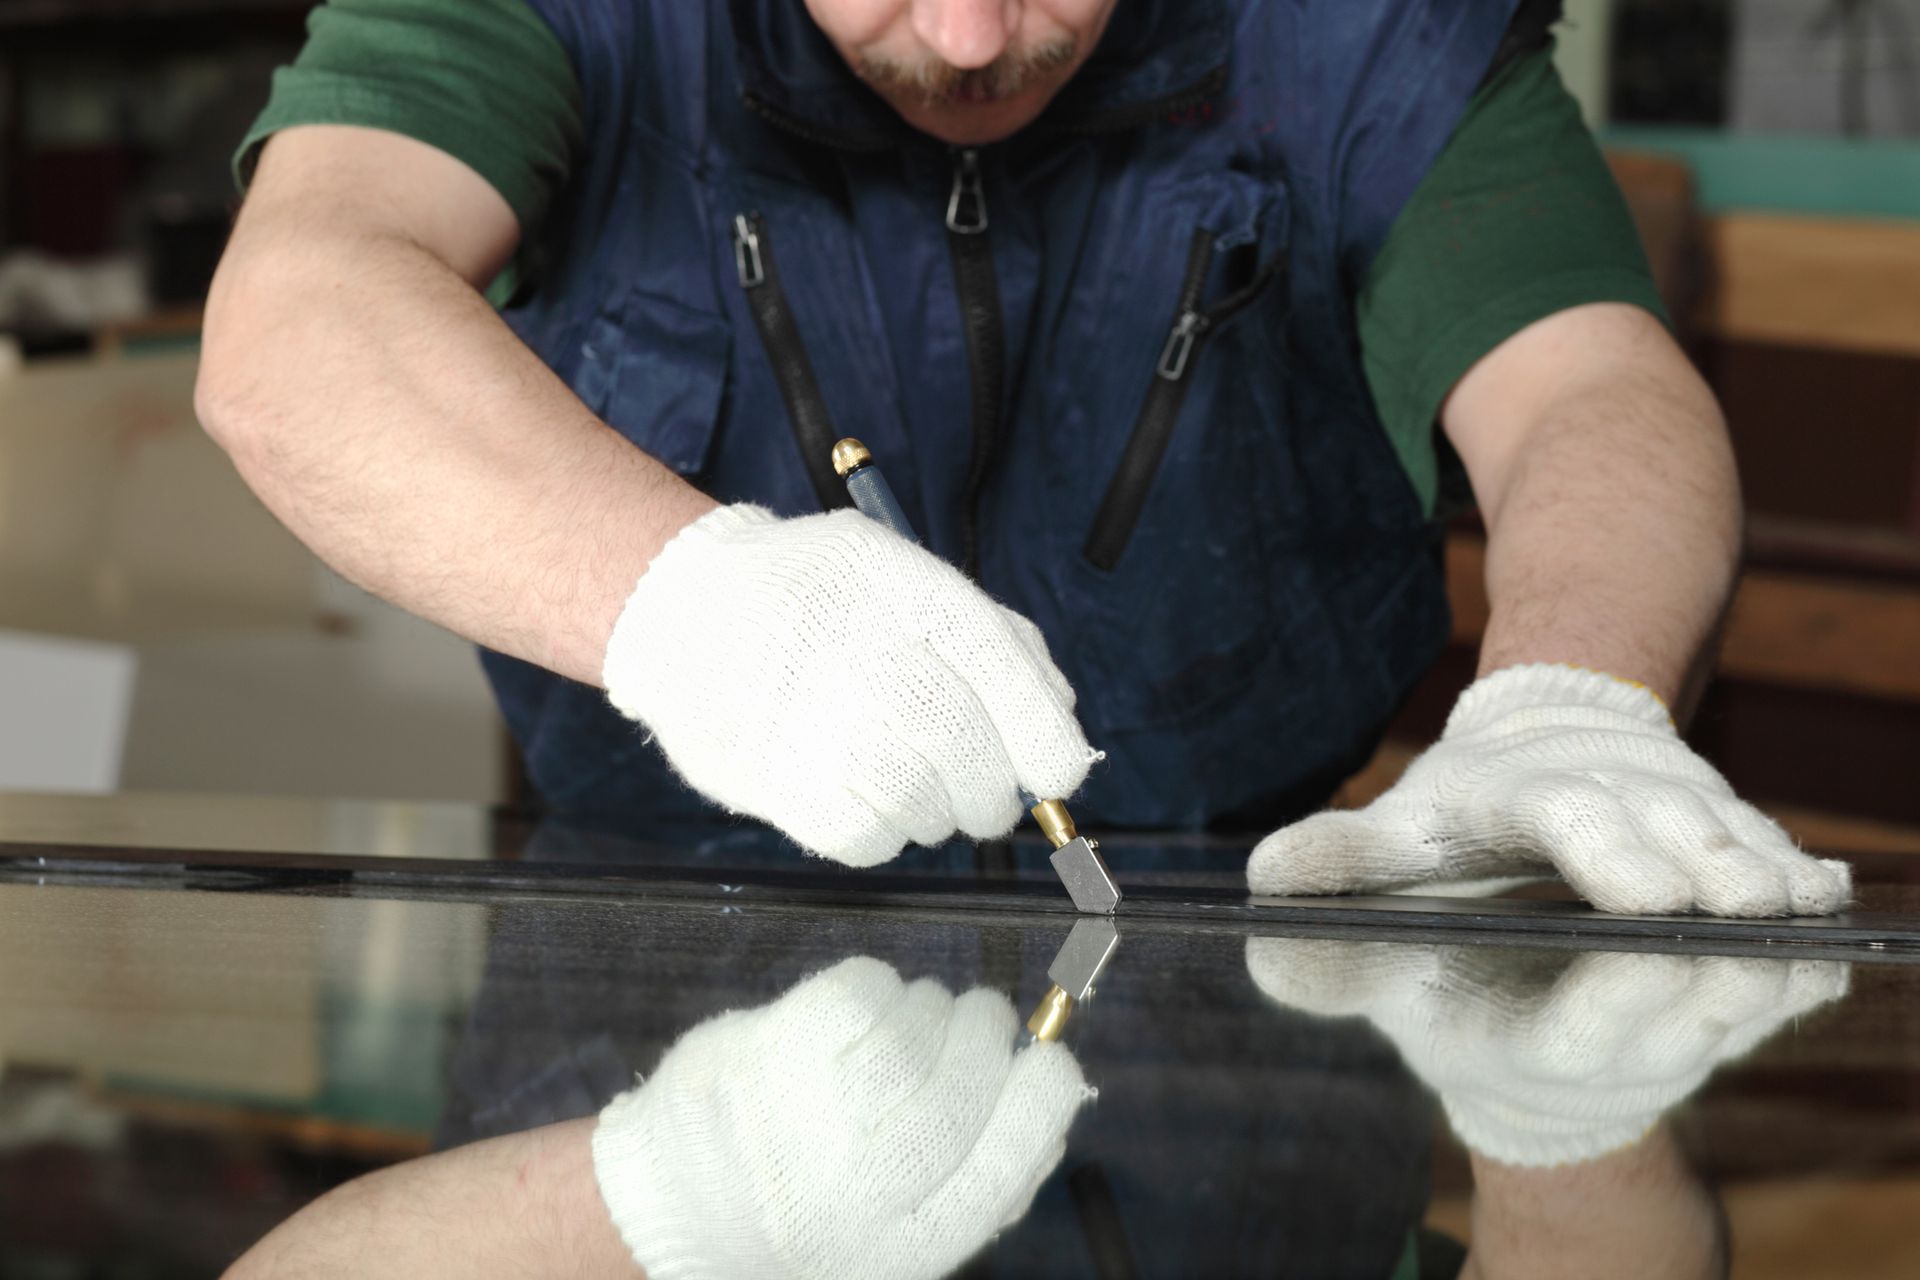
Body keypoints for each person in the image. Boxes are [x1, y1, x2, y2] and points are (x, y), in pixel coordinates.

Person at [197, 0, 1851, 916]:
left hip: (1248, 976)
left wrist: (1573, 701)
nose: (977, 39)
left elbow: (1587, 392)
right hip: (649, 948)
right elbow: (301, 315)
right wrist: (698, 609)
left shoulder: (1374, 33)